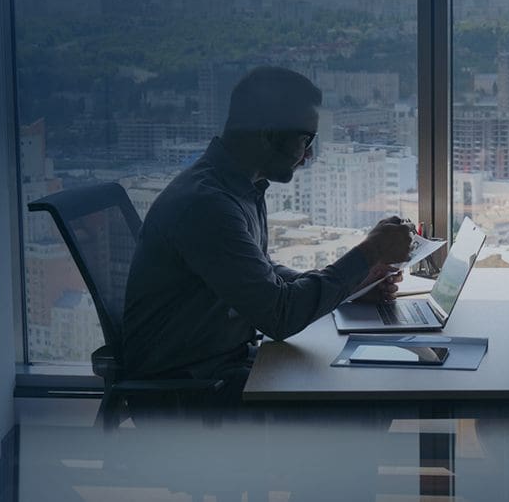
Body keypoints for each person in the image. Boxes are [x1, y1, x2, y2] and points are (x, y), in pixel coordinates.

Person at [117, 66, 411, 406]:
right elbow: (279, 316)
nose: (309, 155)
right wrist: (368, 253)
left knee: (359, 381)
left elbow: (263, 277)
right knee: (366, 400)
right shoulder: (207, 206)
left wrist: (349, 286)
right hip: (189, 393)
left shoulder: (238, 189)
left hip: (219, 368)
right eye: (305, 139)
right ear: (268, 134)